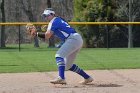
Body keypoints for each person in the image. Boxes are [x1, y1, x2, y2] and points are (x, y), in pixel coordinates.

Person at [27, 8, 93, 85]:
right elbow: (55, 31)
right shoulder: (58, 20)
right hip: (76, 39)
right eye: (44, 16)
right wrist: (49, 29)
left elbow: (47, 36)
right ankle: (87, 78)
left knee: (59, 55)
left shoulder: (53, 21)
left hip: (72, 39)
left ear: (52, 14)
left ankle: (61, 78)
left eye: (47, 15)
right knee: (68, 65)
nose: (45, 17)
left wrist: (36, 34)